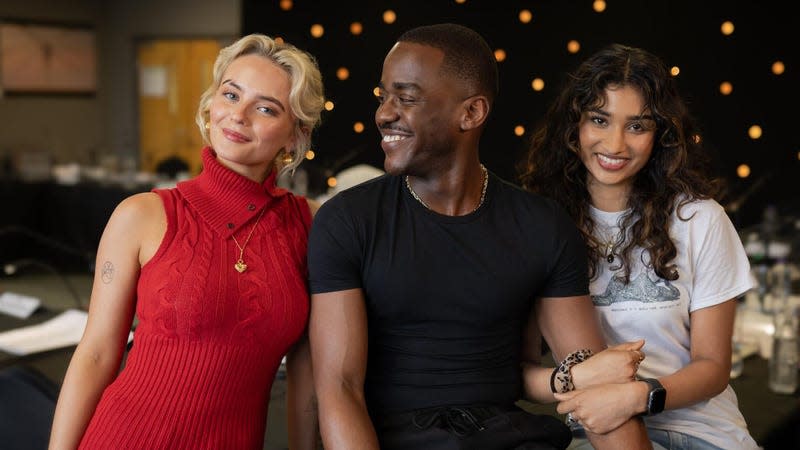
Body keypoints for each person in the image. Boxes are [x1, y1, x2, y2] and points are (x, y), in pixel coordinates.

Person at [307, 23, 651, 450]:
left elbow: (592, 377)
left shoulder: (542, 225)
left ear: (471, 113)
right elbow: (339, 387)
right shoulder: (347, 219)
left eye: (406, 97)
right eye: (384, 97)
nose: (383, 113)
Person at [48, 34, 324, 450]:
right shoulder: (141, 215)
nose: (238, 115)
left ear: (294, 135)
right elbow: (96, 355)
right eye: (231, 95)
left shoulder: (311, 224)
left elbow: (308, 369)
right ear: (211, 105)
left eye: (265, 108)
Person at [519, 43, 759, 450]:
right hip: (593, 431)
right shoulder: (538, 225)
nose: (615, 145)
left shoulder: (701, 219)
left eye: (637, 126)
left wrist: (637, 395)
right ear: (573, 129)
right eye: (599, 119)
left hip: (702, 433)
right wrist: (580, 385)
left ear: (660, 136)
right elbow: (518, 374)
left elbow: (714, 367)